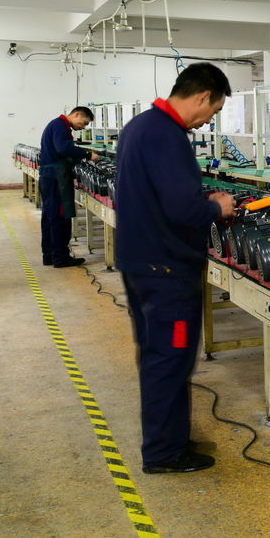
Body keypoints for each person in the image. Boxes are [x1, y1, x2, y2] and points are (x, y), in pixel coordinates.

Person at [115, 63, 236, 474]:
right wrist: (216, 207)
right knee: (170, 359)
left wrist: (199, 198)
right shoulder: (167, 136)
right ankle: (164, 453)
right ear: (203, 96)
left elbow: (159, 194)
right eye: (213, 111)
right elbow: (183, 210)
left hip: (141, 262)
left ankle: (168, 439)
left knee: (156, 355)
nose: (208, 121)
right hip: (166, 271)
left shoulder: (140, 126)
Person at [39, 106, 99, 267]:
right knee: (60, 217)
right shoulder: (60, 126)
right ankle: (60, 257)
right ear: (77, 114)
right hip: (56, 178)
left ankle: (49, 255)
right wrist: (88, 154)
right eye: (84, 122)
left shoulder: (56, 124)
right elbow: (63, 148)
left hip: (49, 177)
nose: (83, 127)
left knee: (49, 217)